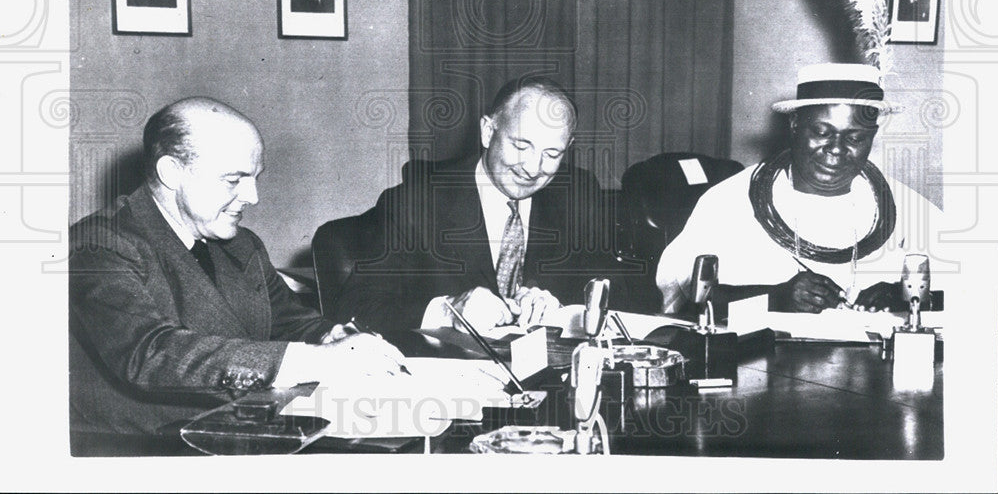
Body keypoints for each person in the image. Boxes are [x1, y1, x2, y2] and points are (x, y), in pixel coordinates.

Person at [69, 97, 406, 438]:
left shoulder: (241, 244)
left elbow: (288, 321)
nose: (253, 196)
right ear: (171, 172)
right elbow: (150, 353)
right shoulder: (100, 243)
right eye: (233, 180)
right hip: (152, 446)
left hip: (246, 425)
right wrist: (315, 360)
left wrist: (331, 336)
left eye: (256, 178)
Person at [325, 76, 645, 334]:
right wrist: (448, 310)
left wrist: (568, 308)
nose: (533, 168)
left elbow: (625, 294)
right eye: (521, 145)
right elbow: (354, 305)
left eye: (552, 154)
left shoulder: (578, 193)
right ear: (488, 131)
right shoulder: (417, 201)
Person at [655, 63, 944, 316]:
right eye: (821, 132)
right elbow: (688, 301)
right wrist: (776, 297)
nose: (836, 149)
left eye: (854, 137)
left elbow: (970, 292)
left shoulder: (906, 207)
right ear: (795, 124)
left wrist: (907, 296)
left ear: (872, 137)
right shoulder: (729, 202)